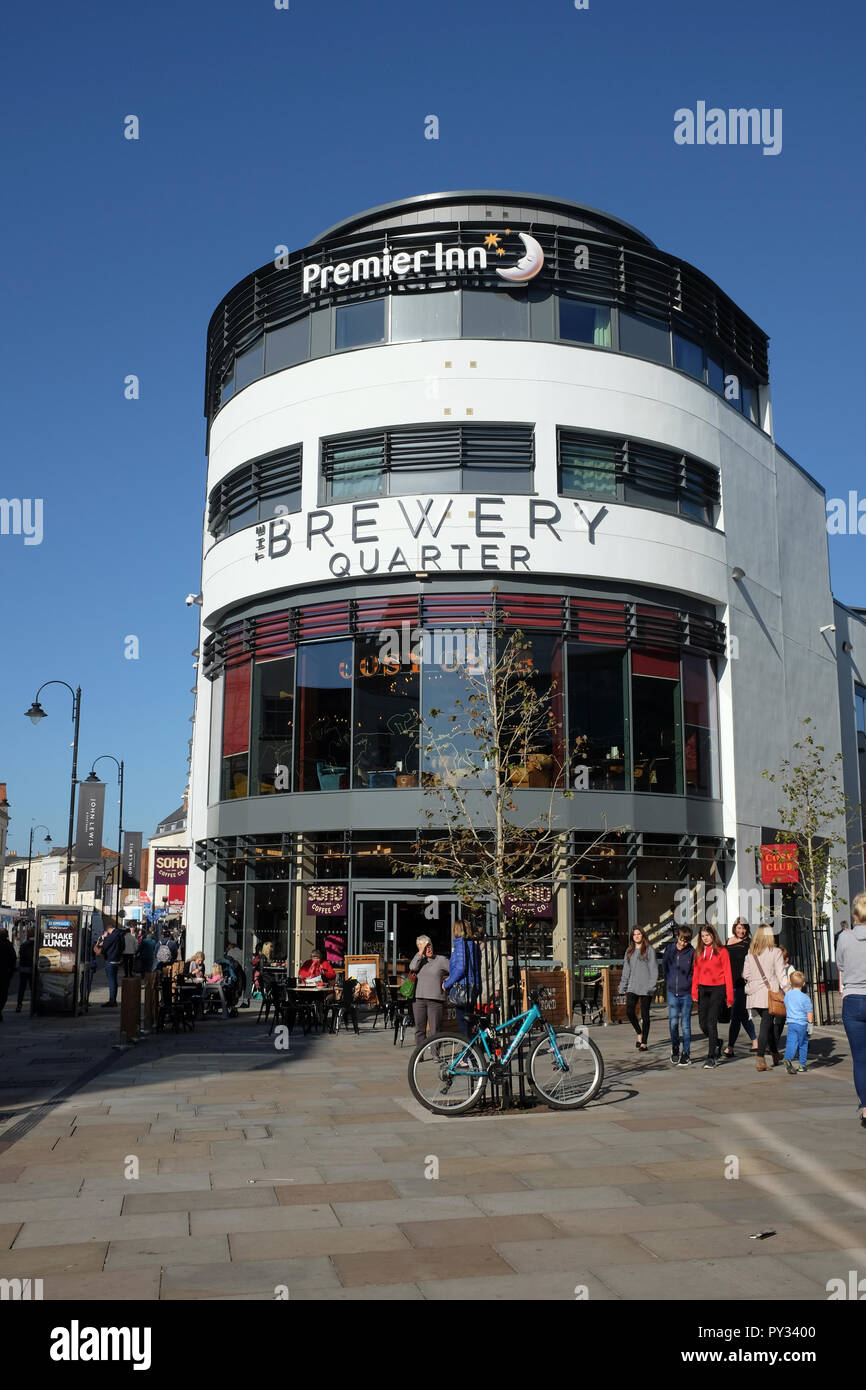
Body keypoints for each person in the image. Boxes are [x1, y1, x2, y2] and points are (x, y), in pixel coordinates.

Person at [836, 891, 866, 1128]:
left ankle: (865, 1107)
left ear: (855, 914)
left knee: (860, 1059)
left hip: (853, 999)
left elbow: (841, 965)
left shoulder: (844, 938)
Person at [742, 924, 790, 1071]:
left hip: (755, 994)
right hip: (770, 993)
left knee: (767, 1024)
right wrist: (789, 991)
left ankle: (775, 1054)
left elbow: (745, 974)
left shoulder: (751, 953)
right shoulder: (775, 952)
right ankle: (760, 1058)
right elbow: (781, 974)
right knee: (765, 1025)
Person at [691, 924, 733, 1068]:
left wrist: (729, 996)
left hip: (718, 989)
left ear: (713, 935)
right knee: (702, 1024)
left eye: (707, 935)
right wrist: (694, 991)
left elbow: (728, 973)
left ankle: (711, 1057)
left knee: (711, 1022)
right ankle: (717, 1042)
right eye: (703, 936)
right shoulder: (698, 951)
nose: (705, 938)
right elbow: (695, 972)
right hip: (703, 989)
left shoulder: (722, 951)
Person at [409, 934, 451, 1049]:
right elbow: (412, 967)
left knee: (435, 1030)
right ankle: (419, 1054)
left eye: (430, 945)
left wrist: (446, 981)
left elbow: (455, 972)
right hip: (419, 999)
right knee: (419, 1029)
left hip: (435, 999)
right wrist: (420, 953)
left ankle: (435, 1054)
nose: (429, 948)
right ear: (420, 948)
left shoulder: (441, 960)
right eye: (426, 947)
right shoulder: (418, 960)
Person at [620, 926, 658, 1052]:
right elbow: (626, 970)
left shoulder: (649, 950)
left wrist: (652, 986)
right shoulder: (629, 951)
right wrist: (623, 986)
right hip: (632, 986)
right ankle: (639, 1032)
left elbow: (653, 969)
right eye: (634, 934)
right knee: (629, 1012)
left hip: (646, 987)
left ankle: (644, 1042)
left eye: (639, 934)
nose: (636, 936)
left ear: (643, 935)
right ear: (632, 937)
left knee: (645, 1015)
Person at [724, 918, 757, 1057]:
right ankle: (755, 1041)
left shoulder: (749, 943)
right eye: (739, 928)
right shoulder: (727, 941)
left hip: (741, 983)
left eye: (744, 928)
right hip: (728, 983)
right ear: (734, 928)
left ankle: (730, 1047)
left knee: (736, 1015)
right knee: (741, 1015)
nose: (741, 931)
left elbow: (754, 962)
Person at [444, 920, 482, 1039]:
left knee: (464, 1025)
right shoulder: (474, 945)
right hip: (473, 987)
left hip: (463, 989)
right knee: (469, 1024)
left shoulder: (461, 944)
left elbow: (461, 967)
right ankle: (469, 1054)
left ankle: (469, 1055)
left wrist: (447, 984)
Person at [661, 928, 694, 1065]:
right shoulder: (670, 950)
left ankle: (686, 1052)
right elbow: (665, 967)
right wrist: (668, 981)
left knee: (685, 1024)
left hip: (686, 993)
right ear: (677, 937)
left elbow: (693, 970)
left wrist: (689, 984)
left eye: (686, 941)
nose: (683, 943)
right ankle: (675, 1047)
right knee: (673, 1023)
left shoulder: (692, 952)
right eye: (681, 939)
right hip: (672, 992)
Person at [783, 970, 813, 1074]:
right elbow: (809, 1012)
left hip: (791, 1023)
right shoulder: (805, 997)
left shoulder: (787, 995)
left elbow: (786, 1005)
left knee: (791, 1043)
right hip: (802, 1024)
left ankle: (788, 1058)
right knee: (803, 1044)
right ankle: (802, 1065)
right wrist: (810, 1024)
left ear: (790, 983)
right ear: (803, 984)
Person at [97, 918, 126, 1006]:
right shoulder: (120, 935)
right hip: (116, 959)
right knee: (114, 980)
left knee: (111, 981)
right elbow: (123, 947)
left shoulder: (111, 936)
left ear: (108, 929)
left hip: (110, 960)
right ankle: (113, 999)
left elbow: (103, 948)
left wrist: (104, 938)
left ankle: (112, 1001)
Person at [15, 927, 35, 1012]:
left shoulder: (23, 945)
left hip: (23, 969)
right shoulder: (36, 945)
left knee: (22, 988)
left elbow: (21, 956)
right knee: (33, 988)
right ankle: (34, 1005)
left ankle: (19, 1005)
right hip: (32, 969)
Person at [0, 928, 16, 1020]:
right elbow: (13, 958)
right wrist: (11, 970)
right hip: (5, 973)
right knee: (3, 993)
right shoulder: (8, 945)